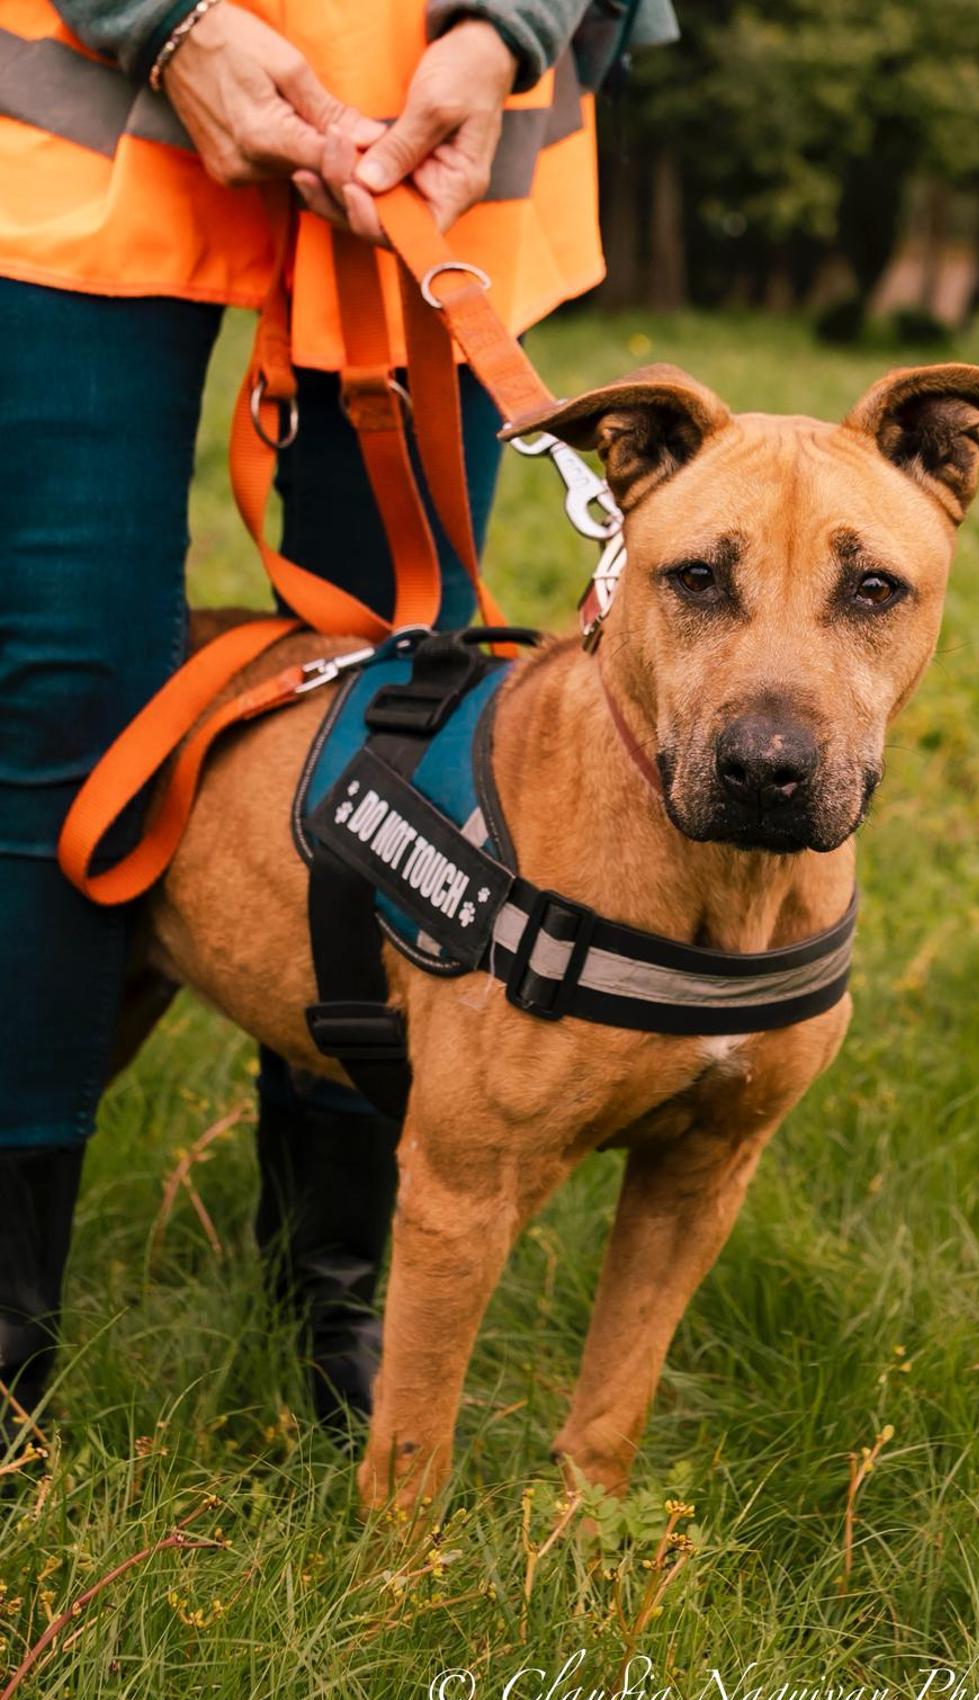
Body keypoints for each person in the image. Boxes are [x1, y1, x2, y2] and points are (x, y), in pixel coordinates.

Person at [0, 0, 676, 1441]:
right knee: (59, 695)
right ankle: (9, 1332)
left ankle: (330, 1300)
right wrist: (163, 23)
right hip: (76, 105)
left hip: (445, 126)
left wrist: (510, 33)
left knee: (410, 724)